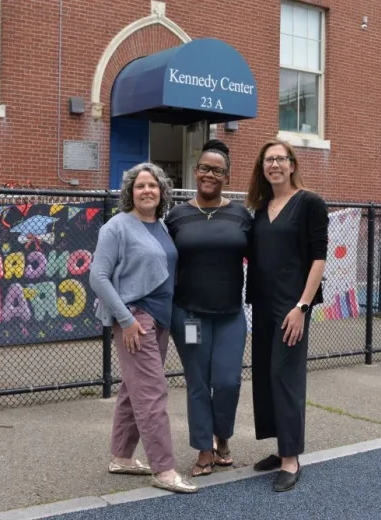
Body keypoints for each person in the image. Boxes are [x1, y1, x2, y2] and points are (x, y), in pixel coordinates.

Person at [89, 162, 197, 494]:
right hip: (136, 318)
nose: (147, 190)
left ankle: (121, 457)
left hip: (161, 319)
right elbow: (98, 276)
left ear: (162, 191)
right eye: (140, 186)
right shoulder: (117, 227)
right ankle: (164, 469)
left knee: (133, 390)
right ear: (130, 192)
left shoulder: (162, 227)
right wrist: (127, 320)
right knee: (152, 393)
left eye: (153, 185)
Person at [244, 139, 328, 492]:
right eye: (268, 160)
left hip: (291, 306)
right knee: (265, 377)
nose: (274, 165)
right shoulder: (261, 209)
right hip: (262, 305)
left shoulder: (309, 203)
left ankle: (292, 458)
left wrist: (302, 307)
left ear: (292, 164)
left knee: (285, 376)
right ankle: (280, 450)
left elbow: (319, 259)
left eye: (280, 159)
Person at [165, 139, 252, 477]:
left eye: (217, 170)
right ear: (195, 171)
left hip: (231, 315)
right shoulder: (177, 216)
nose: (209, 174)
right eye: (204, 168)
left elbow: (262, 259)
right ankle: (204, 449)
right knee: (199, 381)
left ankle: (223, 437)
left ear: (227, 177)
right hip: (189, 315)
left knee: (228, 381)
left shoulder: (241, 215)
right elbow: (158, 260)